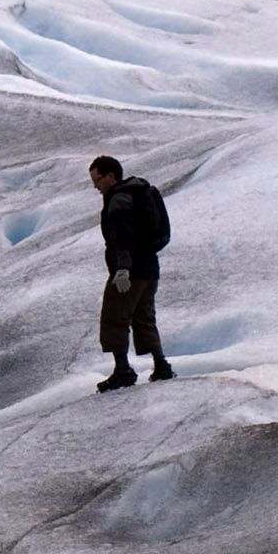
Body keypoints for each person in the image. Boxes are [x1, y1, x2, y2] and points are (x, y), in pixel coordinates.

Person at [90, 155, 175, 390]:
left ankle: (123, 370)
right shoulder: (138, 193)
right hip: (150, 269)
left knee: (114, 318)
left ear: (110, 176)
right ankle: (161, 365)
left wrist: (122, 269)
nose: (95, 186)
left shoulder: (119, 200)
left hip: (130, 271)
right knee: (144, 316)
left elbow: (122, 237)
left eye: (97, 180)